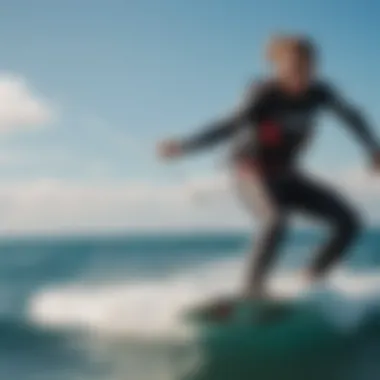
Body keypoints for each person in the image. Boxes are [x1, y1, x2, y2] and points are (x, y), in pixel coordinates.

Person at [157, 35, 380, 298]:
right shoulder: (264, 94)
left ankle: (311, 278)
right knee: (276, 220)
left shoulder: (320, 93)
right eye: (295, 68)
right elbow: (229, 125)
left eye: (308, 68)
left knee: (349, 222)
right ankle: (252, 292)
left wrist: (372, 149)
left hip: (287, 175)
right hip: (251, 173)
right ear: (280, 68)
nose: (302, 75)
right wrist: (184, 146)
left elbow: (353, 117)